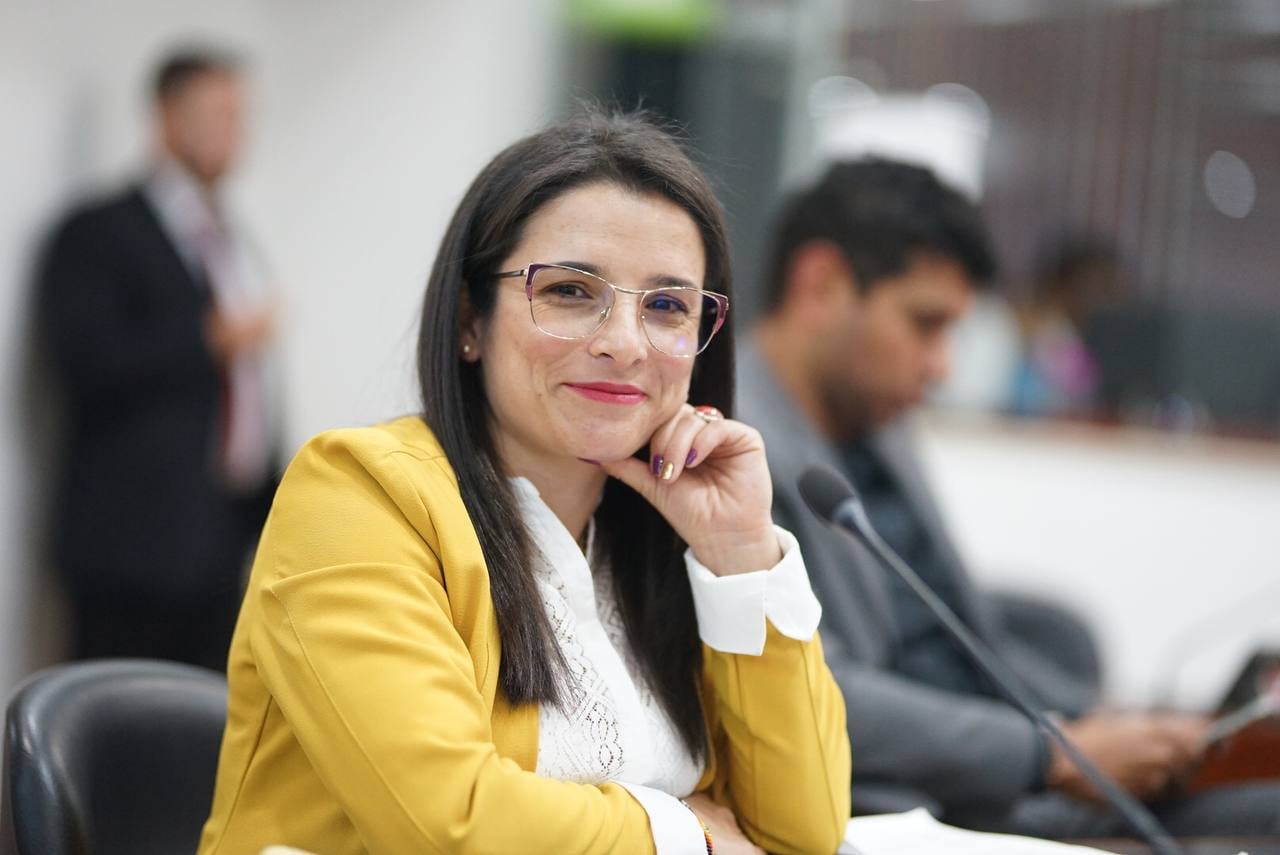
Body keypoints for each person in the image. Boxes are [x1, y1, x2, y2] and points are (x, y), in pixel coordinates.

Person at [196, 110, 850, 855]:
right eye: (571, 291)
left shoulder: (659, 541)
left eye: (668, 305)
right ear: (471, 317)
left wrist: (740, 555)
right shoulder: (357, 493)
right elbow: (448, 824)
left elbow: (803, 829)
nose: (625, 343)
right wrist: (686, 832)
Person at [739, 157, 1280, 836]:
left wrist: (1100, 724)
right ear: (820, 286)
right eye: (925, 323)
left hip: (1003, 752)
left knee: (1237, 768)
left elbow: (959, 633)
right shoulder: (733, 450)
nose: (943, 366)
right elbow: (806, 688)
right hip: (919, 789)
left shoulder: (878, 424)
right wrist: (1049, 751)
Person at [36, 48, 281, 671]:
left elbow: (250, 388)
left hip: (216, 542)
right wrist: (206, 338)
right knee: (113, 737)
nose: (233, 134)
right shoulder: (96, 230)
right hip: (128, 550)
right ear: (169, 119)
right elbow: (84, 359)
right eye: (217, 115)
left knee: (197, 741)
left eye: (239, 117)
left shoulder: (232, 239)